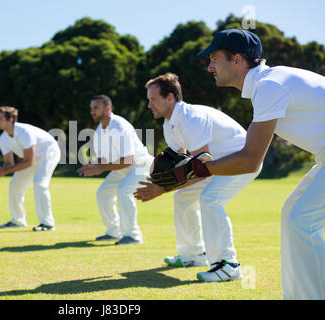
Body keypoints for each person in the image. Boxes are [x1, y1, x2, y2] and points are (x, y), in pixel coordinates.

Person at [194, 29, 325, 299]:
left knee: (300, 220)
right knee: (294, 216)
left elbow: (250, 160)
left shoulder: (269, 86)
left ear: (238, 60)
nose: (209, 68)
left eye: (215, 59)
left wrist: (199, 168)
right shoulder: (267, 83)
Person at [134, 73, 261, 282]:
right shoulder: (169, 124)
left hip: (242, 159)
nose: (149, 105)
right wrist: (159, 183)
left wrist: (162, 189)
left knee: (211, 199)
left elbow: (200, 168)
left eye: (153, 99)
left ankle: (228, 265)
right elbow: (182, 165)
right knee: (184, 197)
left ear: (170, 98)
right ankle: (193, 254)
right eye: (148, 100)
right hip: (217, 165)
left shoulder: (191, 118)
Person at [77, 95, 154, 245]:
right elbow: (104, 160)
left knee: (124, 190)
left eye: (96, 108)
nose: (92, 111)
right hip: (122, 167)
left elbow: (128, 159)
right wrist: (94, 166)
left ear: (107, 108)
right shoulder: (100, 130)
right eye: (91, 108)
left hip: (140, 165)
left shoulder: (120, 126)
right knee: (103, 193)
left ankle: (133, 235)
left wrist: (101, 167)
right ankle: (114, 231)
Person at [0, 106, 61, 231]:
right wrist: (3, 170)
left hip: (48, 152)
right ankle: (18, 221)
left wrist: (5, 171)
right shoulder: (3, 139)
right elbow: (9, 164)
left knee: (40, 183)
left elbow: (28, 162)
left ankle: (48, 224)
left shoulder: (24, 132)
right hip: (30, 158)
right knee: (15, 184)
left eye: (0, 119)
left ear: (11, 119)